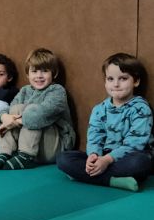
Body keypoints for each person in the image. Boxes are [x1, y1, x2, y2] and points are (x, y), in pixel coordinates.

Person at [57, 53, 153, 192]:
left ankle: (83, 175)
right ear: (105, 82)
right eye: (110, 79)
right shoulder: (99, 109)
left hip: (129, 156)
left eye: (123, 78)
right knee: (63, 158)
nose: (116, 84)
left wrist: (107, 160)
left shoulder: (141, 108)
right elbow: (94, 136)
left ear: (136, 81)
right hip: (103, 156)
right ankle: (112, 180)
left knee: (140, 163)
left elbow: (135, 144)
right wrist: (93, 156)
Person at [0, 48, 75, 170]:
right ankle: (6, 152)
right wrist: (4, 117)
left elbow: (40, 114)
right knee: (16, 109)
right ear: (28, 74)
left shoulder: (57, 91)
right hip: (31, 145)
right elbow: (10, 109)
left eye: (45, 71)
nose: (39, 76)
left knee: (33, 110)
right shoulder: (25, 90)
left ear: (54, 73)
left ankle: (26, 157)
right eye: (34, 71)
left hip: (54, 146)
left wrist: (16, 121)